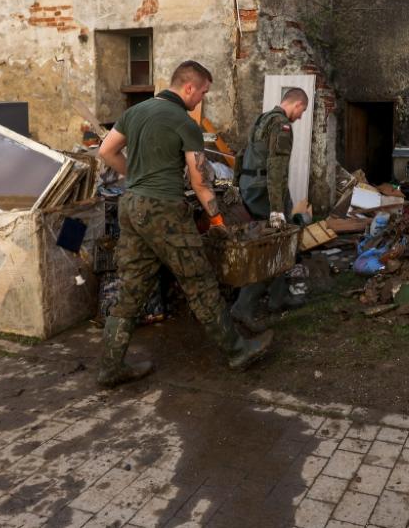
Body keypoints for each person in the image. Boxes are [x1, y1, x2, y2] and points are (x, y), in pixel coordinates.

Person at [96, 60, 272, 388]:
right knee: (199, 281)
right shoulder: (184, 122)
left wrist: (136, 177)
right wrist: (217, 220)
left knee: (132, 287)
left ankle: (110, 367)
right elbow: (200, 182)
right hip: (164, 210)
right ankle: (238, 351)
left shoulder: (134, 112)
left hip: (131, 206)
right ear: (189, 87)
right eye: (203, 92)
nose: (202, 98)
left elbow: (106, 151)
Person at [230, 88, 309, 331]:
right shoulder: (281, 125)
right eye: (302, 111)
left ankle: (277, 298)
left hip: (250, 186)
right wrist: (277, 209)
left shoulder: (261, 119)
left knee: (277, 244)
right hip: (265, 191)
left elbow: (242, 153)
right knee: (274, 246)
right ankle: (243, 306)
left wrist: (236, 184)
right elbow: (276, 169)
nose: (300, 117)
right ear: (296, 104)